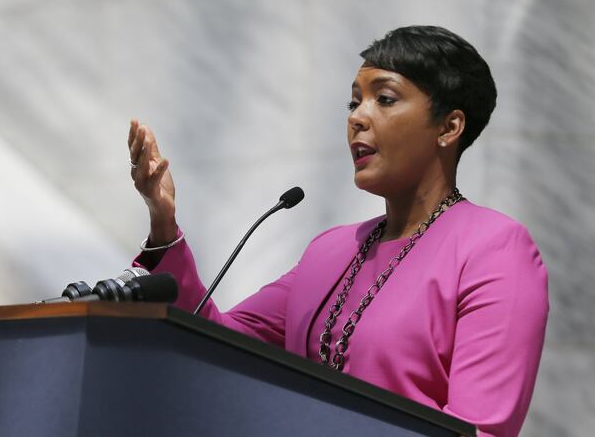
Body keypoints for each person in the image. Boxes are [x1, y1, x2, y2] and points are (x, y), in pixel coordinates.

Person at [126, 25, 548, 437]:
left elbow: (480, 429)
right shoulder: (331, 251)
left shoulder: (494, 249)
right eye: (353, 103)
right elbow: (216, 343)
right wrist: (163, 223)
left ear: (449, 127)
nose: (358, 118)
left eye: (384, 99)